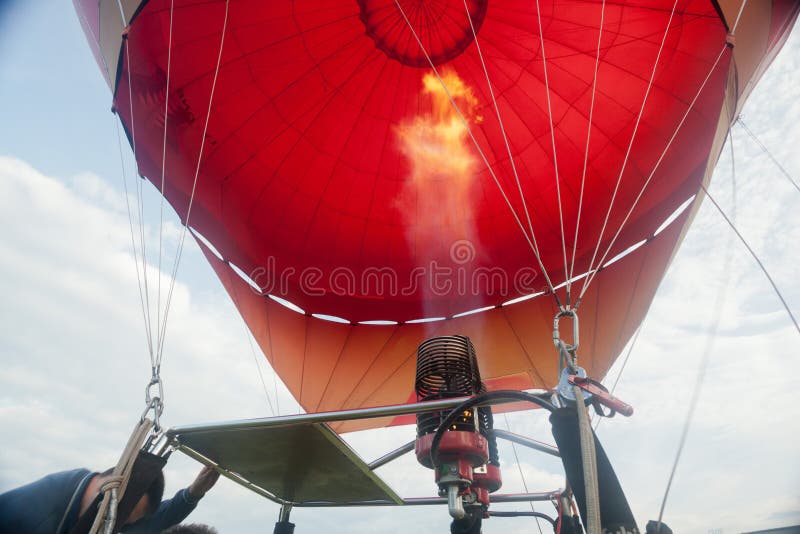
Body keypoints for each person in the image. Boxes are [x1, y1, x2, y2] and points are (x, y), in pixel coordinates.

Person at [0, 465, 219, 534]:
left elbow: (152, 523)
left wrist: (192, 494)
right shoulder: (25, 515)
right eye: (122, 517)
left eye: (126, 521)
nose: (118, 526)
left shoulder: (105, 513)